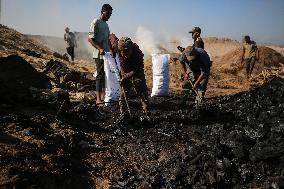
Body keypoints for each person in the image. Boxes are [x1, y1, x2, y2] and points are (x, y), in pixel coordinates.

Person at [88, 4, 113, 105]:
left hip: (106, 54)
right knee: (100, 75)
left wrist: (111, 50)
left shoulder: (106, 25)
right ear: (103, 11)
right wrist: (100, 48)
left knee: (106, 75)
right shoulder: (96, 22)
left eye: (110, 14)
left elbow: (107, 39)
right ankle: (98, 99)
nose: (109, 16)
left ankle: (103, 96)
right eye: (108, 14)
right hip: (99, 54)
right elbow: (90, 39)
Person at [117, 37, 149, 115]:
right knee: (123, 90)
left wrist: (126, 76)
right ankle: (123, 111)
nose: (125, 55)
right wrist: (122, 73)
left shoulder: (138, 53)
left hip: (137, 69)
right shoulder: (118, 50)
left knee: (140, 86)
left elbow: (135, 70)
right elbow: (120, 62)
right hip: (126, 68)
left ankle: (146, 107)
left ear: (131, 49)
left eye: (127, 52)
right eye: (123, 53)